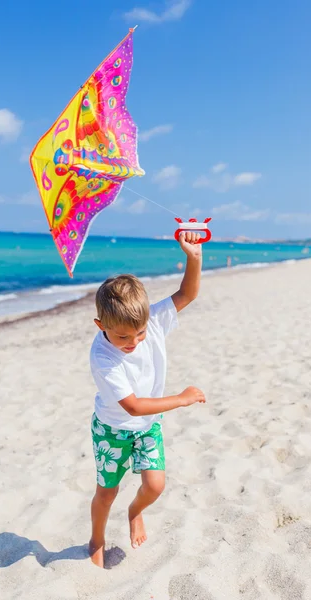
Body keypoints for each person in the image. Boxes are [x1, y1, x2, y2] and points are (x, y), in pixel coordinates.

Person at [88, 232, 206, 568]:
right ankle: (97, 538)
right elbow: (133, 405)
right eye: (122, 336)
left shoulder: (150, 323)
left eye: (139, 333)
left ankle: (135, 512)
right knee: (106, 492)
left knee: (155, 485)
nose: (134, 341)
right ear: (101, 326)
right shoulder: (103, 357)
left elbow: (188, 293)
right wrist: (181, 399)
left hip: (147, 426)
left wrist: (194, 257)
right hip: (112, 429)